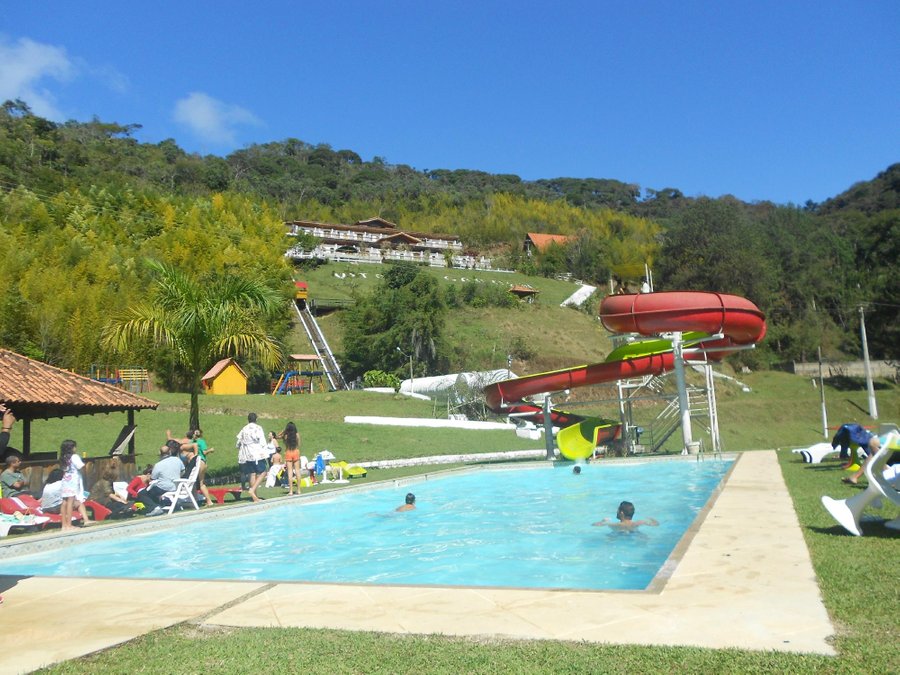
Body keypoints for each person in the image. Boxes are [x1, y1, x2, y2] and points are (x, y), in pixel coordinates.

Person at [59, 439, 91, 530]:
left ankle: (64, 525)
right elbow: (81, 466)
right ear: (71, 448)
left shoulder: (63, 457)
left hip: (65, 480)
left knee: (64, 502)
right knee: (70, 501)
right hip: (73, 481)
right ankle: (69, 525)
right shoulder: (74, 456)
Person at [236, 413, 268, 502]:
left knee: (252, 473)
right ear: (256, 419)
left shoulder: (244, 428)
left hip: (247, 454)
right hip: (256, 453)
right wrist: (265, 453)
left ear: (248, 419)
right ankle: (252, 490)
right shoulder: (258, 428)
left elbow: (238, 442)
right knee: (263, 472)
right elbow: (262, 441)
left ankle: (255, 497)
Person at [146, 444, 184, 509]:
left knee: (144, 493)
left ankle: (155, 507)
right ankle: (163, 503)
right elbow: (183, 471)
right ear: (170, 452)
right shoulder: (177, 460)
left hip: (164, 488)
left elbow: (152, 478)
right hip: (177, 486)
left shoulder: (158, 465)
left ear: (160, 453)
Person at [593, 501, 658, 530]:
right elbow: (656, 524)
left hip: (618, 534)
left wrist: (603, 521)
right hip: (633, 533)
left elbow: (595, 525)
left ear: (622, 513)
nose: (616, 512)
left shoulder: (614, 525)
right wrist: (651, 519)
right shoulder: (637, 523)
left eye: (618, 510)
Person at [277, 422, 302, 495]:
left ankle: (290, 491)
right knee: (297, 471)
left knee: (290, 472)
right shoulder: (296, 435)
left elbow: (277, 436)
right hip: (295, 451)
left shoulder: (285, 436)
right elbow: (299, 444)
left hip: (288, 452)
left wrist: (283, 431)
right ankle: (299, 490)